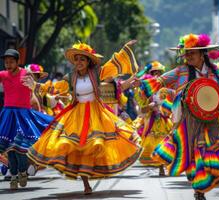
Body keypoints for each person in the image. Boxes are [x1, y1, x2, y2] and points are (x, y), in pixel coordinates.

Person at [132, 33, 219, 200]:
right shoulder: (180, 71)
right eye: (186, 53)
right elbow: (160, 80)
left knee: (216, 151)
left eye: (192, 53)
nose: (188, 56)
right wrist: (141, 83)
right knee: (195, 153)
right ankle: (199, 189)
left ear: (202, 54)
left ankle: (204, 184)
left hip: (212, 118)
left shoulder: (215, 70)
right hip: (189, 118)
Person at [25, 42, 142, 194]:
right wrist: (35, 85)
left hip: (96, 113)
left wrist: (125, 49)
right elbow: (54, 88)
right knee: (71, 145)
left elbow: (113, 65)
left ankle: (89, 180)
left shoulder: (97, 73)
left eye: (82, 59)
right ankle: (84, 183)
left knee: (94, 145)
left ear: (88, 62)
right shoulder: (70, 77)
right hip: (76, 114)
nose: (79, 62)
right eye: (77, 59)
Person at [0, 49, 53, 190]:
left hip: (23, 116)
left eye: (11, 62)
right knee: (10, 148)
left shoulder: (26, 74)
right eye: (6, 62)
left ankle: (22, 172)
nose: (8, 64)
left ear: (18, 62)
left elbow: (34, 91)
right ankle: (13, 175)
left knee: (20, 148)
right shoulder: (3, 75)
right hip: (8, 115)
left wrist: (36, 100)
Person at [134, 61, 173, 176]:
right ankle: (160, 166)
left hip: (164, 119)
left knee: (165, 142)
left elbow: (171, 102)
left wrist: (164, 108)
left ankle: (163, 166)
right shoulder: (145, 91)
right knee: (152, 143)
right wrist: (150, 106)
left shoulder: (166, 88)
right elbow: (142, 109)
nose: (156, 75)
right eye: (154, 73)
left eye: (159, 73)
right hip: (151, 120)